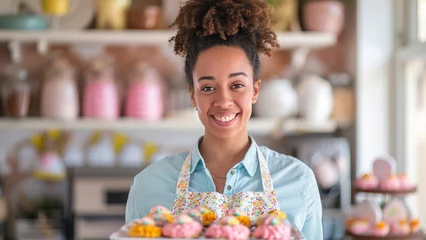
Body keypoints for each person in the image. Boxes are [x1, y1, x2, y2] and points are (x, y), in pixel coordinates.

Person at [125, 0, 323, 239]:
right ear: (193, 95)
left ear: (255, 91)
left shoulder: (297, 181)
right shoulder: (149, 185)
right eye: (208, 87)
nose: (223, 101)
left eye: (237, 85)